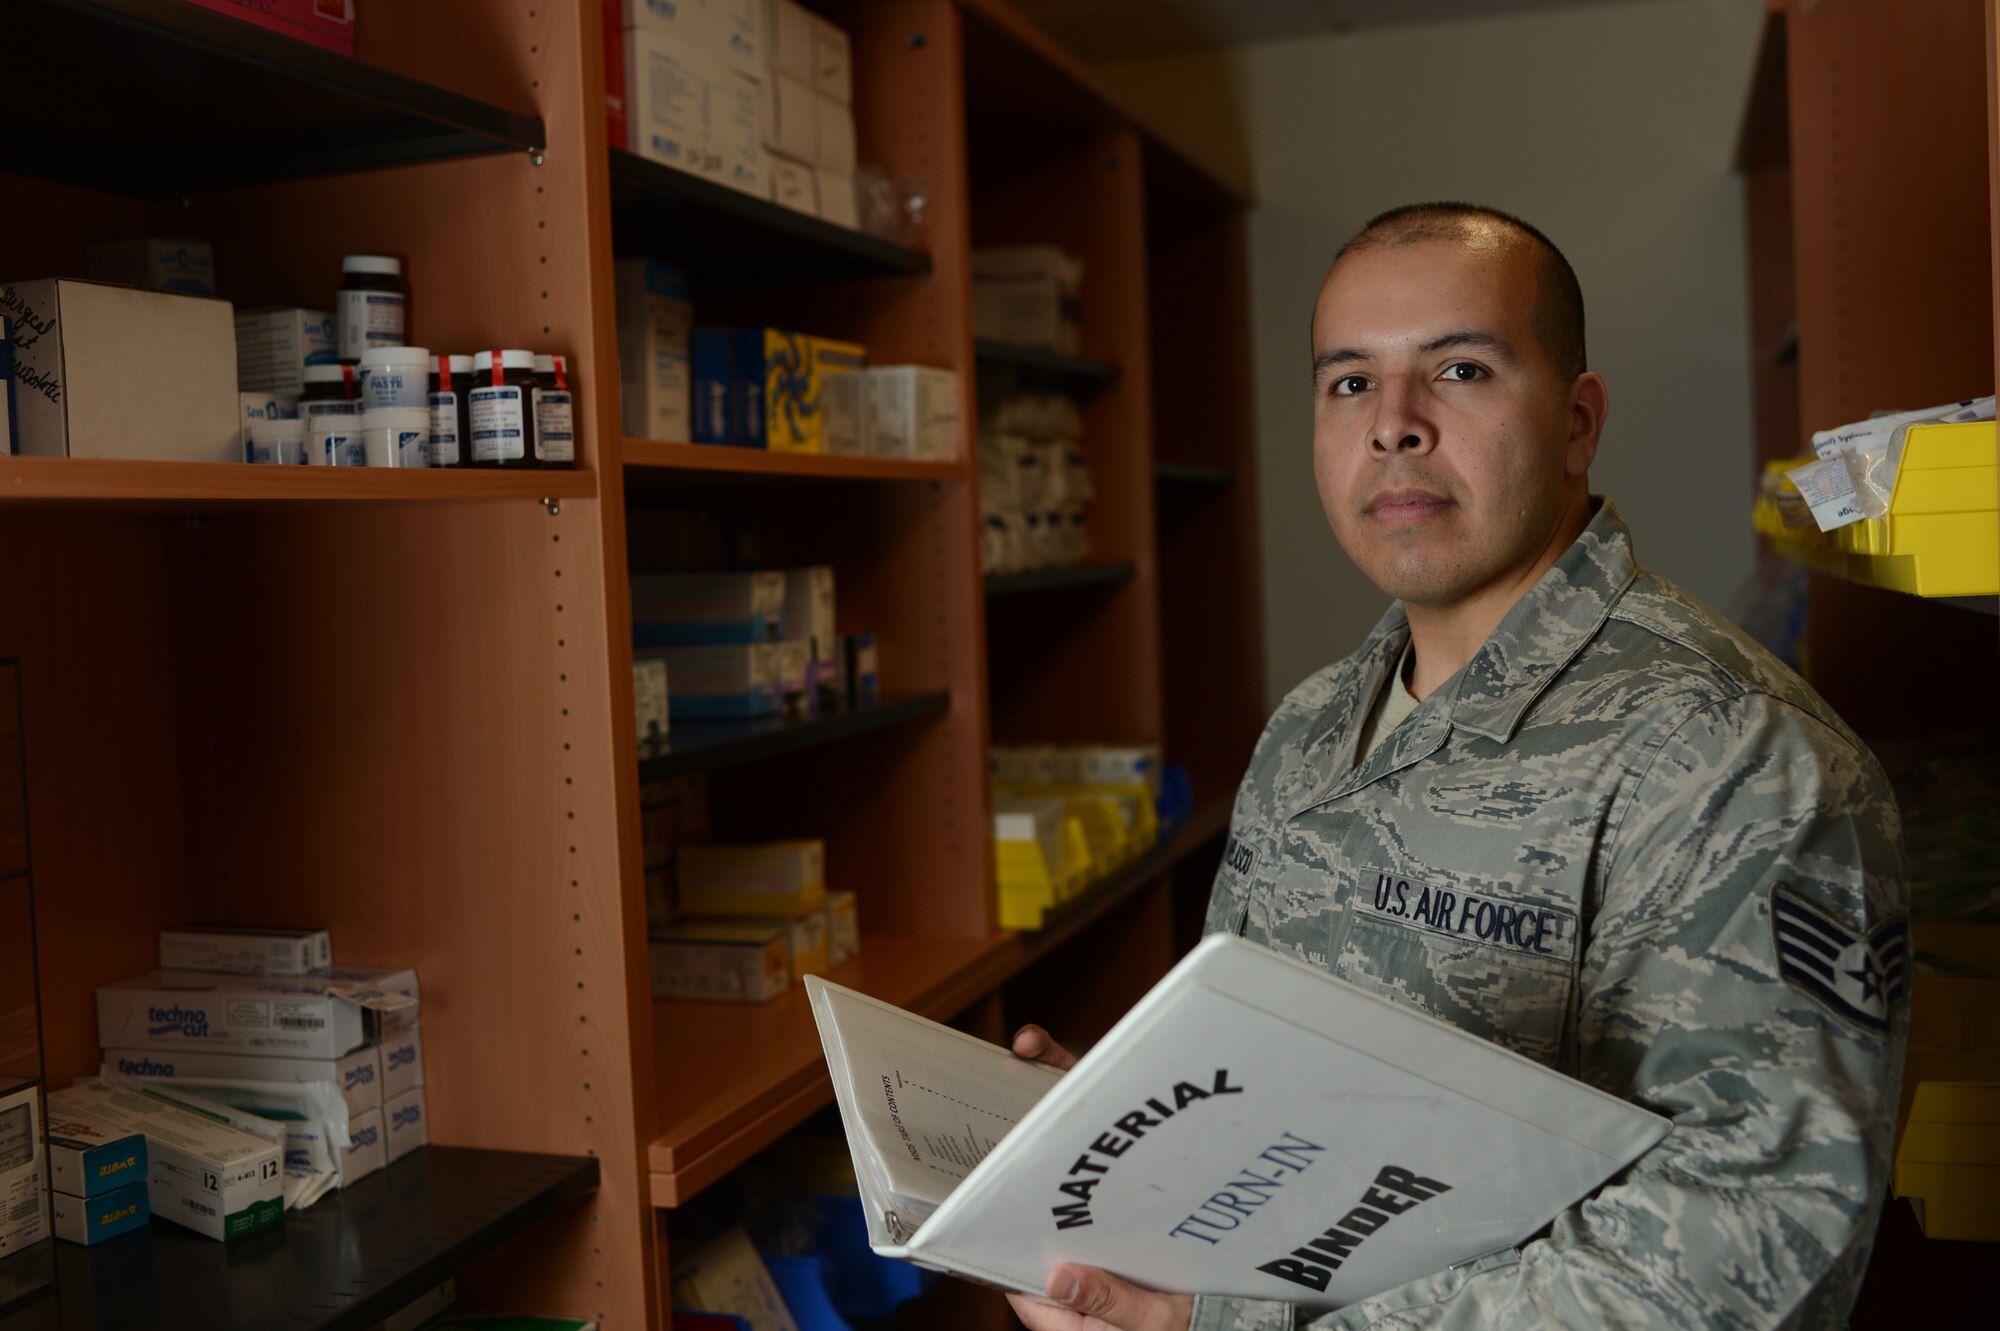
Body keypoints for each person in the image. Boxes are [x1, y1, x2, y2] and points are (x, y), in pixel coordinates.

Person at [1005, 203, 1908, 1331]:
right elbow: (1286, 1085)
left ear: (1576, 421)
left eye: (1460, 370)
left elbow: (1748, 1243)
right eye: (1348, 384)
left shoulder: (1731, 755)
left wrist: (1226, 1325)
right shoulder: (1310, 724)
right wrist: (1128, 1148)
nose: (1393, 425)